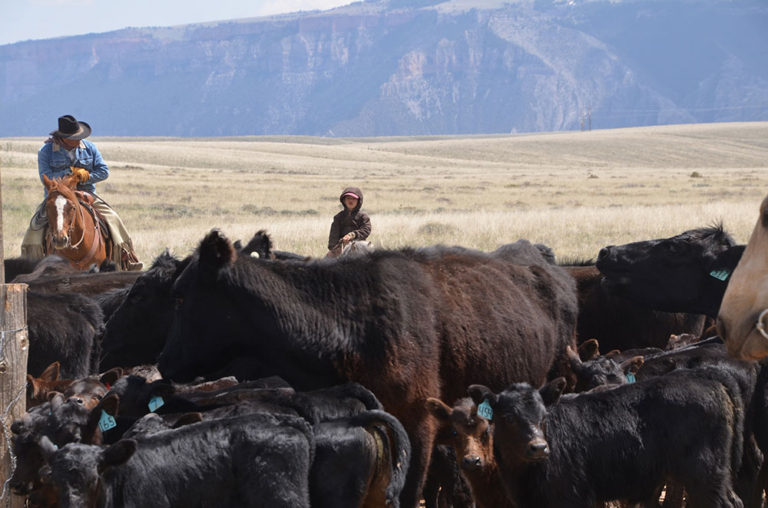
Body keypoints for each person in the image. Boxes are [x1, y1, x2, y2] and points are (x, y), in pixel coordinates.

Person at [20, 115, 143, 271]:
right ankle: (29, 264)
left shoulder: (90, 148)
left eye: (80, 136)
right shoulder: (46, 152)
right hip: (57, 198)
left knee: (113, 218)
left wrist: (85, 177)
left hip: (87, 196)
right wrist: (72, 175)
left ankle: (127, 258)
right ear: (63, 138)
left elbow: (104, 171)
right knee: (34, 229)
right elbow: (45, 176)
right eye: (75, 138)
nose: (79, 140)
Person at [327, 186, 371, 258]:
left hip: (359, 244)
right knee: (325, 264)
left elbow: (366, 229)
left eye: (354, 199)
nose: (351, 201)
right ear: (344, 200)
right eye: (348, 198)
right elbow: (333, 235)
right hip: (341, 246)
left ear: (358, 201)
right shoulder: (338, 217)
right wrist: (334, 248)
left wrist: (353, 235)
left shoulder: (363, 216)